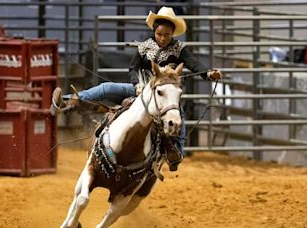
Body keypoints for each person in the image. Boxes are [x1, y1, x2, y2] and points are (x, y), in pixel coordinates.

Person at [51, 6, 222, 171]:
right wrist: (137, 85)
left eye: (167, 35)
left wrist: (208, 73)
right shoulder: (145, 47)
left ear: (172, 33)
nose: (163, 38)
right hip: (142, 89)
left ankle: (176, 152)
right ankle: (68, 101)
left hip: (165, 96)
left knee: (178, 115)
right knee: (106, 87)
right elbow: (133, 69)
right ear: (154, 32)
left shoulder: (179, 49)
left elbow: (194, 65)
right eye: (159, 34)